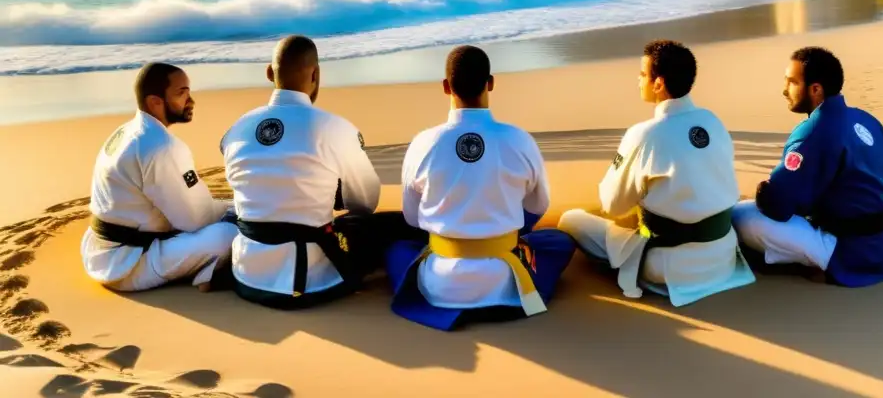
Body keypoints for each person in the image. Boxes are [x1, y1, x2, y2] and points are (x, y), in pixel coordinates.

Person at [220, 35, 420, 309]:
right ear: (315, 74)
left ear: (269, 73)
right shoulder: (334, 128)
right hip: (304, 280)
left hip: (246, 274)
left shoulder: (237, 128)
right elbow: (365, 202)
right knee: (392, 225)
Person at [386, 45, 577, 331]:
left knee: (399, 249)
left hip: (440, 282)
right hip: (503, 277)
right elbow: (538, 206)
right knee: (558, 241)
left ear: (445, 87)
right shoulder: (519, 139)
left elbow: (412, 219)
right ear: (490, 83)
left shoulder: (423, 142)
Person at [558, 40, 755, 306]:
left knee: (571, 220)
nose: (638, 80)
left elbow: (612, 205)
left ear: (658, 83)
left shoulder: (644, 134)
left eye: (642, 74)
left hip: (671, 267)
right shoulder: (712, 121)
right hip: (723, 257)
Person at [732, 47, 883, 286]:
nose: (784, 90)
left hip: (851, 251)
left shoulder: (814, 131)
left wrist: (763, 190)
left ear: (815, 89)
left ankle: (812, 263)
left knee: (740, 216)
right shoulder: (865, 119)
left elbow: (777, 206)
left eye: (791, 82)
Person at [81, 63, 237, 293]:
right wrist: (233, 214)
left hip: (98, 250)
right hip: (127, 264)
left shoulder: (127, 131)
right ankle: (209, 274)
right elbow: (195, 220)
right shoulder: (161, 147)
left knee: (227, 211)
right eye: (181, 93)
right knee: (228, 234)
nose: (191, 101)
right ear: (155, 102)